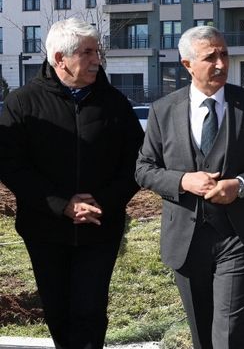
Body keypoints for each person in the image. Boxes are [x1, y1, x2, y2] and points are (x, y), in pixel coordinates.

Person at [136, 26, 244, 349]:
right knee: (202, 332)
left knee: (229, 328)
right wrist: (182, 180)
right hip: (186, 241)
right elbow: (144, 169)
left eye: (224, 55)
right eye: (210, 57)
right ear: (187, 64)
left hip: (237, 236)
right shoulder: (163, 110)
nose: (220, 64)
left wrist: (241, 185)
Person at [0, 18, 143, 349]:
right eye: (88, 52)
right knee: (58, 312)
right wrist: (60, 203)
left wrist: (101, 202)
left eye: (98, 51)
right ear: (59, 58)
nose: (97, 60)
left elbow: (137, 163)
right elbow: (10, 165)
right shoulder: (23, 104)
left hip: (100, 227)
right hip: (45, 230)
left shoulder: (115, 104)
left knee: (90, 311)